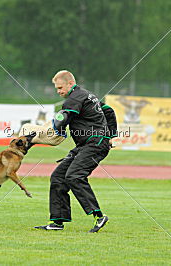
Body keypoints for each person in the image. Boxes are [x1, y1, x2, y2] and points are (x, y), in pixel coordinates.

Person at [34, 70, 117, 233]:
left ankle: (99, 216)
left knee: (74, 176)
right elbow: (108, 110)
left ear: (70, 84)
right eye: (57, 88)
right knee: (58, 177)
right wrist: (111, 135)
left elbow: (63, 117)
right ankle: (57, 221)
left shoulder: (75, 98)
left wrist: (56, 129)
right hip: (85, 144)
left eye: (60, 87)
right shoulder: (86, 95)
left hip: (95, 143)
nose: (58, 91)